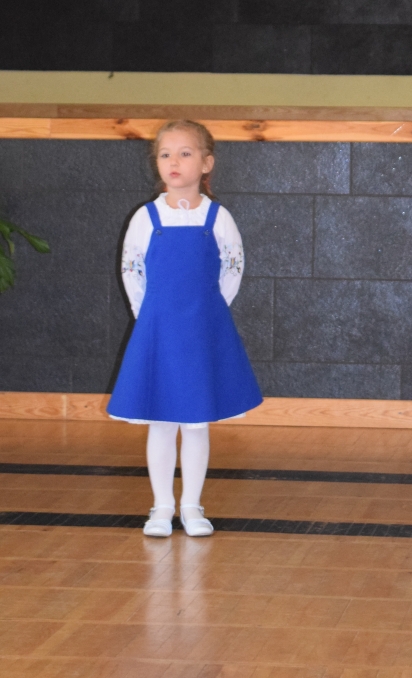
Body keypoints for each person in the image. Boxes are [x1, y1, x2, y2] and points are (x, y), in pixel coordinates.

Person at [107, 120, 262, 538]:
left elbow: (233, 267)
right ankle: (161, 506)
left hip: (201, 332)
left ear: (207, 163)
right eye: (165, 154)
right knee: (161, 421)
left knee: (195, 421)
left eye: (185, 153)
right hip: (159, 331)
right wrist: (149, 316)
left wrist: (208, 313)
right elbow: (131, 269)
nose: (173, 161)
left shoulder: (218, 217)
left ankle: (192, 505)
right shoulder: (146, 218)